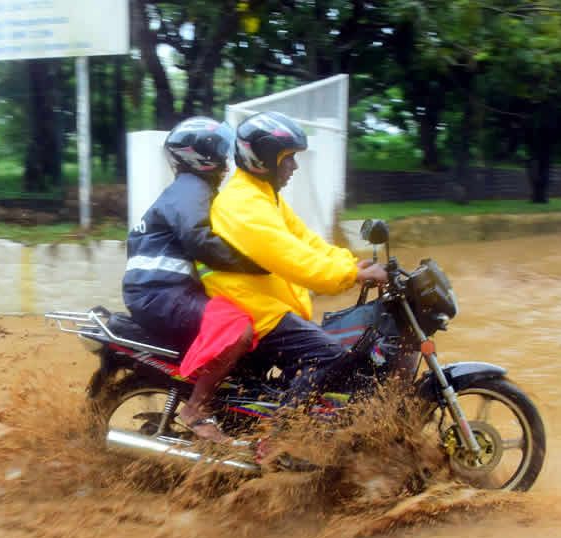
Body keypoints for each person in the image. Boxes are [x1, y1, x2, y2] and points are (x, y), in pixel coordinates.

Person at [198, 111, 388, 414]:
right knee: (330, 356)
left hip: (263, 301)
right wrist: (350, 275)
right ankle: (280, 439)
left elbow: (305, 241)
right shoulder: (243, 204)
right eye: (288, 158)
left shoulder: (263, 195)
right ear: (262, 160)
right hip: (250, 306)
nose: (294, 167)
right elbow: (293, 260)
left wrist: (351, 263)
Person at [122, 117, 266, 442]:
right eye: (221, 153)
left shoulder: (188, 190)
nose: (227, 162)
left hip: (159, 292)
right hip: (160, 295)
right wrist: (255, 264)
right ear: (200, 156)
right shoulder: (192, 188)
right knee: (238, 328)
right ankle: (197, 408)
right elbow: (198, 238)